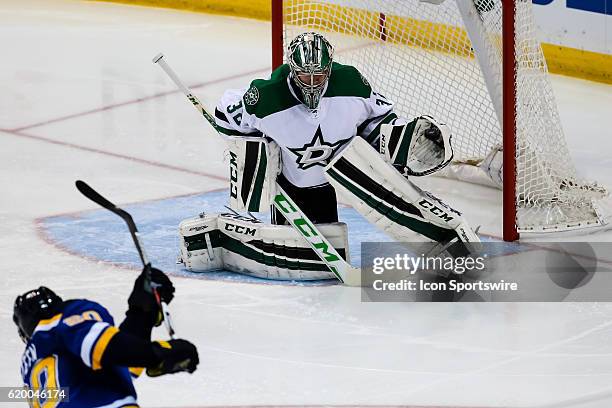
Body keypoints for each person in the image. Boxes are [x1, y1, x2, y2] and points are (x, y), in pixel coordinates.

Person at [214, 32, 479, 260]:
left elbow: (378, 120)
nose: (312, 83)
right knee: (304, 256)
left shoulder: (351, 83)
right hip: (293, 186)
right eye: (305, 76)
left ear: (330, 68)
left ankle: (444, 244)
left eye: (318, 76)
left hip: (347, 175)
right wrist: (253, 155)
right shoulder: (266, 97)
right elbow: (225, 113)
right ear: (292, 71)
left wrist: (399, 141)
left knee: (389, 207)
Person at [14, 267, 199, 407]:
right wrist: (159, 353)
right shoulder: (62, 320)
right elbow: (109, 349)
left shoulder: (32, 364)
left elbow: (119, 362)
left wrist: (141, 314)